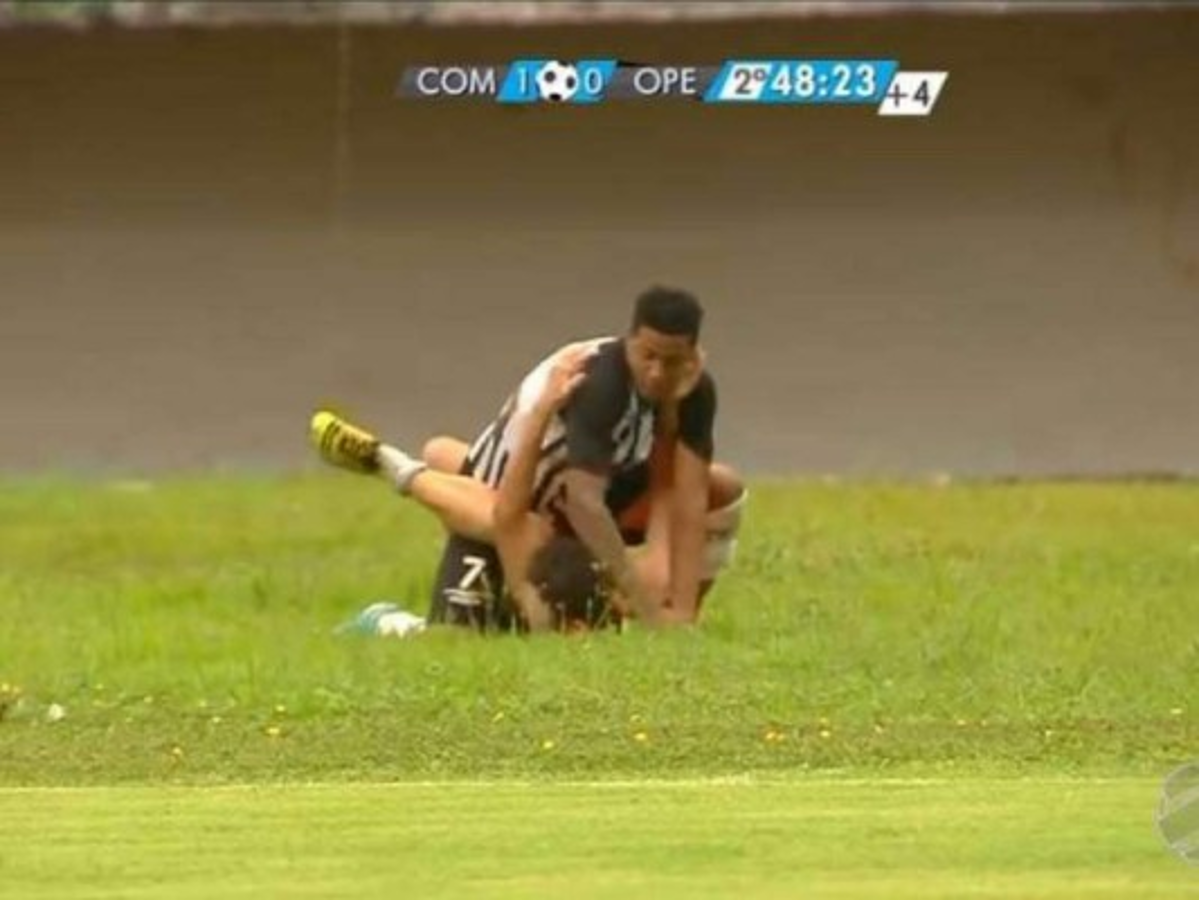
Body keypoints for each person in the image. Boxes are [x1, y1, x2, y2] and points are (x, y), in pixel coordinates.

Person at [424, 286, 735, 627]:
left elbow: (689, 496)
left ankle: (442, 459)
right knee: (499, 621)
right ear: (629, 341)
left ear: (693, 355)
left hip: (594, 492)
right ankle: (385, 617)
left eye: (672, 361)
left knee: (722, 487)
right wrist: (641, 602)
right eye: (648, 356)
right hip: (528, 504)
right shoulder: (600, 384)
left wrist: (681, 611)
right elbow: (583, 504)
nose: (658, 372)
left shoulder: (693, 387)